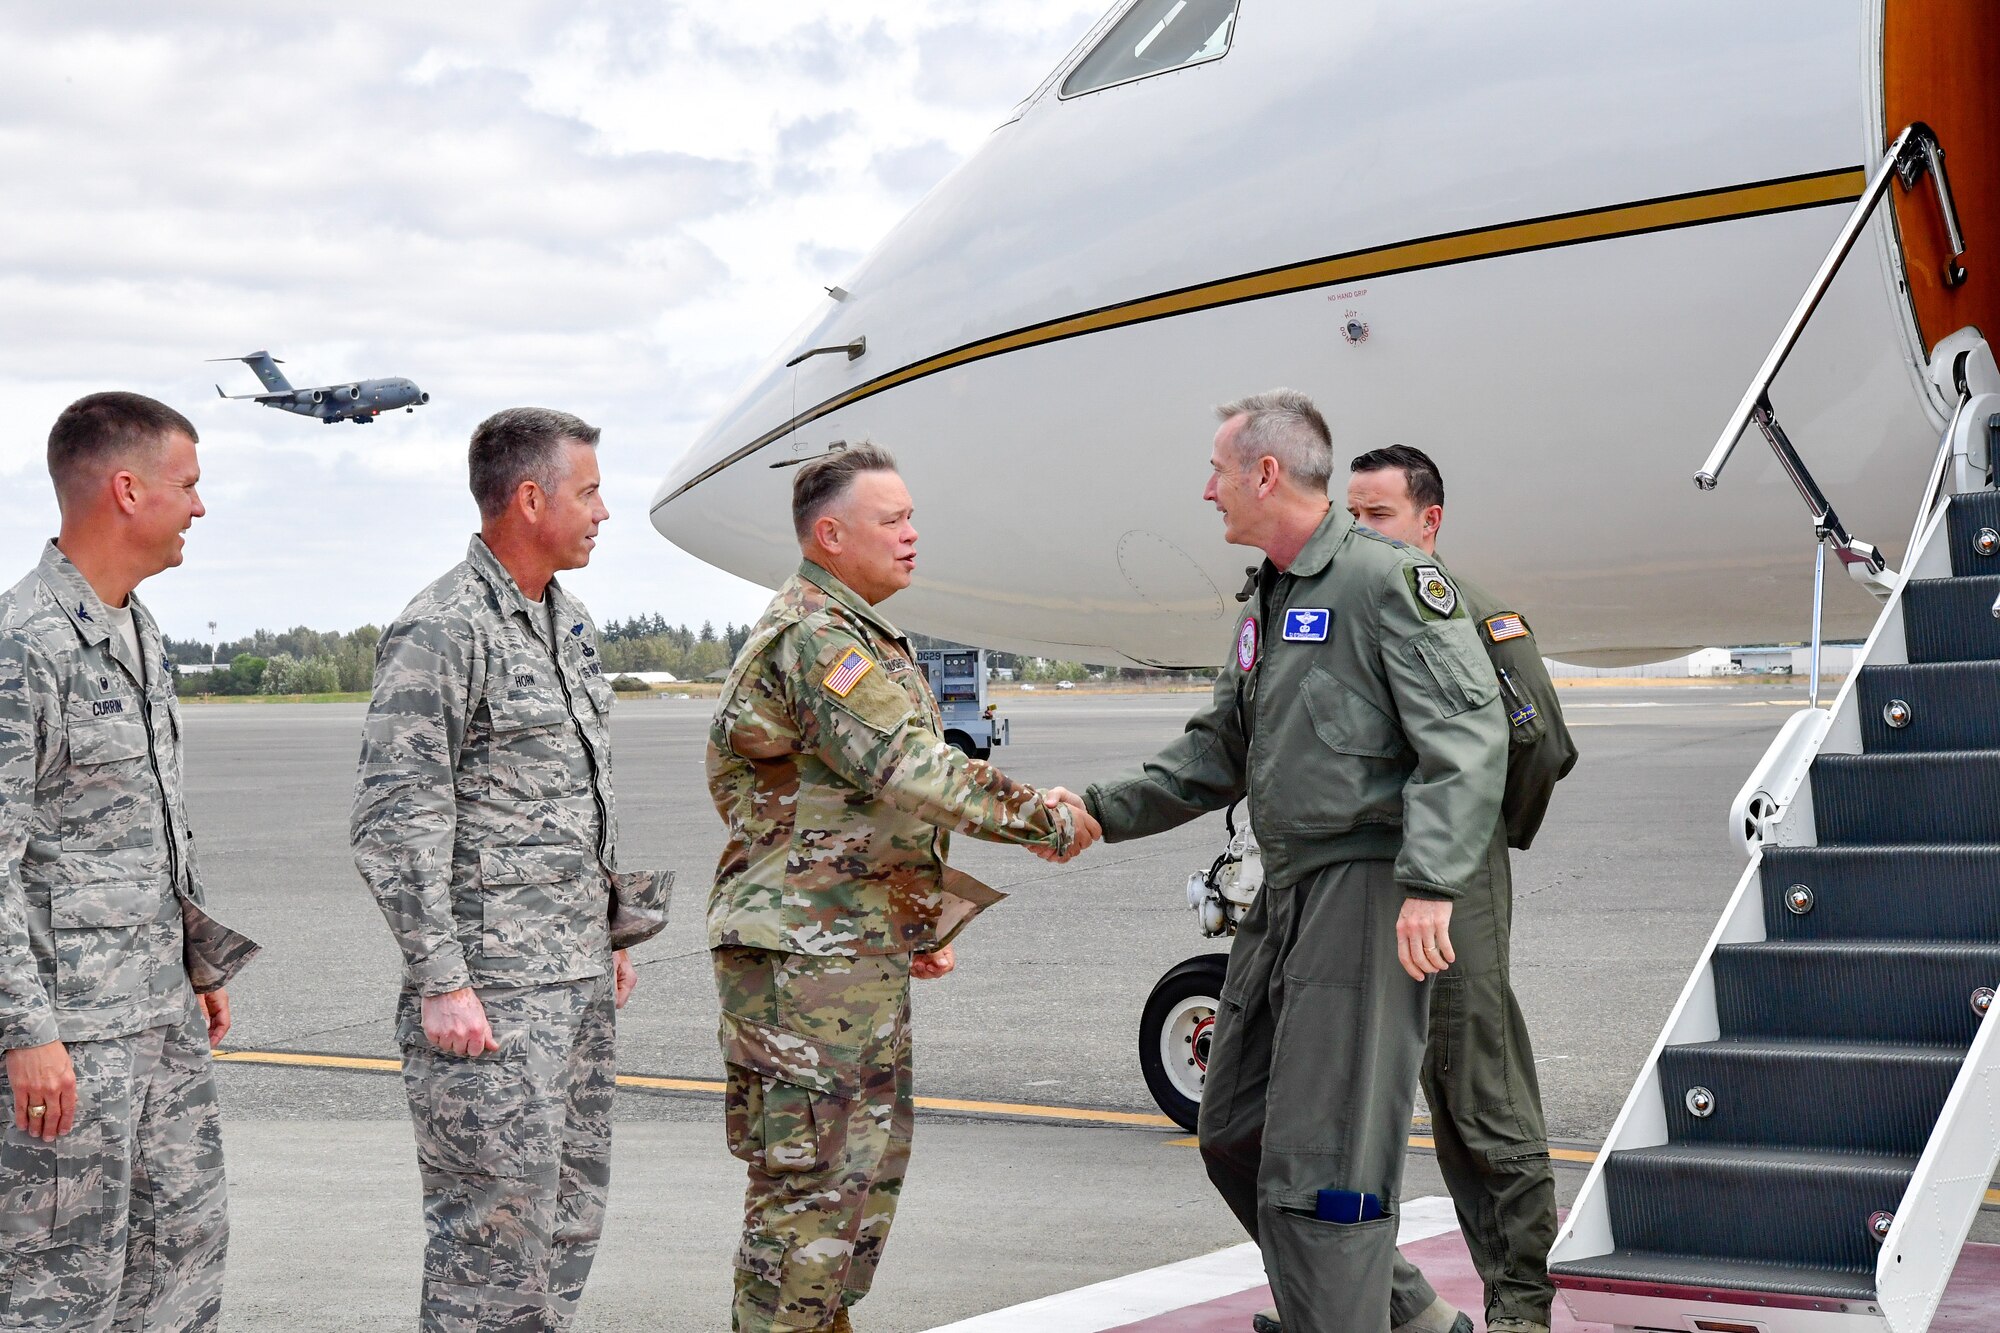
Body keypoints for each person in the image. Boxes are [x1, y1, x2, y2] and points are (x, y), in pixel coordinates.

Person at [1055, 391, 1507, 1333]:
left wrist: (1429, 884)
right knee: (1234, 1131)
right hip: (1289, 885)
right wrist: (1095, 810)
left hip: (1368, 887)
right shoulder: (1271, 592)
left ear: (1266, 472)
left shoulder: (1387, 582)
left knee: (1326, 1162)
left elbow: (1466, 739)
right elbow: (1216, 751)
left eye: (1217, 469)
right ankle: (1410, 1323)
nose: (1206, 489)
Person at [707, 442, 1098, 1333]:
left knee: (857, 1197)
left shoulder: (860, 633)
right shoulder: (817, 637)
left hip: (849, 951)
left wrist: (913, 916)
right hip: (803, 962)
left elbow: (849, 809)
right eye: (894, 520)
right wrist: (1043, 817)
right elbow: (906, 768)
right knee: (811, 1199)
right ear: (832, 533)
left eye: (913, 516)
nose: (914, 535)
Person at [351, 407, 672, 1333]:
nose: (605, 510)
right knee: (490, 1236)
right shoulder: (444, 627)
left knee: (567, 1219)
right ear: (530, 498)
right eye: (591, 490)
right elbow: (394, 817)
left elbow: (573, 798)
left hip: (572, 979)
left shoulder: (566, 623)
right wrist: (442, 980)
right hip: (488, 996)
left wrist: (608, 931)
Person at [0, 392, 258, 1332]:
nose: (199, 505)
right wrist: (26, 1032)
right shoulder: (22, 645)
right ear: (126, 488)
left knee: (182, 1256)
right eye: (187, 484)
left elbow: (148, 821)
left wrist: (195, 960)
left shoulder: (139, 632)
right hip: (69, 1042)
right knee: (58, 1285)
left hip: (159, 1016)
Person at [1347, 444, 1576, 1333]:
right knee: (1351, 1084)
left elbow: (1541, 743)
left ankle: (1520, 1303)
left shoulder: (1470, 615)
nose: (1359, 530)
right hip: (1375, 877)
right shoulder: (1360, 608)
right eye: (1351, 514)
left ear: (1428, 521)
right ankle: (1351, 1298)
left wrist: (1476, 837)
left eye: (1379, 515)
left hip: (1453, 880)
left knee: (1471, 1080)